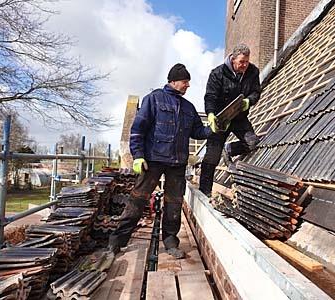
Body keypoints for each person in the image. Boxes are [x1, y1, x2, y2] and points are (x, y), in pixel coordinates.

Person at [108, 63, 213, 259]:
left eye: (188, 82)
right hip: (153, 160)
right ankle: (116, 242)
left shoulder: (188, 108)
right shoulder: (153, 99)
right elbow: (138, 128)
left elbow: (198, 132)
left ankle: (171, 242)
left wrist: (212, 128)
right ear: (173, 81)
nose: (188, 85)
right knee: (137, 200)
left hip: (177, 163)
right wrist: (138, 155)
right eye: (185, 81)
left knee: (174, 203)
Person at [199, 44, 261, 197]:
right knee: (212, 155)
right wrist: (211, 114)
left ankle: (229, 149)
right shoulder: (218, 74)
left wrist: (249, 101)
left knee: (252, 143)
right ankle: (204, 191)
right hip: (222, 119)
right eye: (241, 62)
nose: (245, 65)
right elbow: (210, 97)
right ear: (233, 59)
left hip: (239, 118)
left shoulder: (253, 72)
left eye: (247, 61)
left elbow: (256, 92)